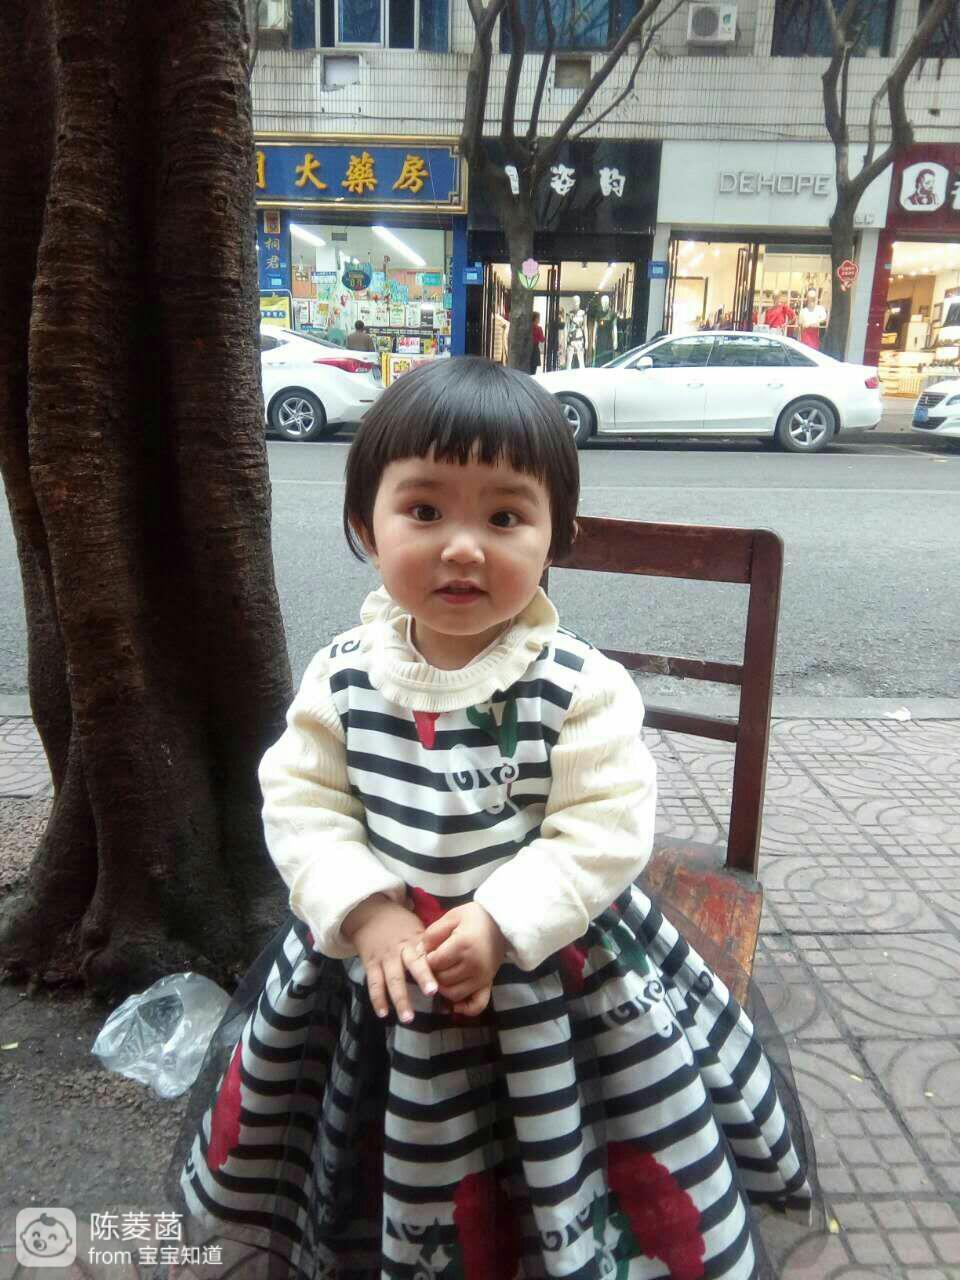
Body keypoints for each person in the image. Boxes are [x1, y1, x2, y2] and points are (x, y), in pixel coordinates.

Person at [171, 358, 821, 1278]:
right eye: (424, 510)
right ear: (364, 526)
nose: (464, 547)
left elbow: (603, 827)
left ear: (557, 540)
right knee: (382, 1124)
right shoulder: (343, 676)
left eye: (506, 518)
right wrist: (367, 909)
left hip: (553, 968)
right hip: (382, 967)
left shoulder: (580, 686)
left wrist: (502, 921)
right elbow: (303, 800)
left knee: (566, 1123)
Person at [529, 310, 545, 374]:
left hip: (527, 348)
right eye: (538, 318)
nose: (539, 320)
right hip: (535, 348)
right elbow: (542, 339)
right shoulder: (538, 328)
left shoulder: (528, 327)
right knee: (533, 369)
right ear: (535, 319)